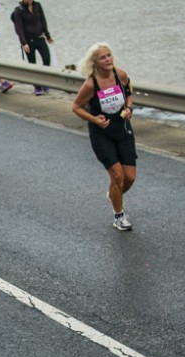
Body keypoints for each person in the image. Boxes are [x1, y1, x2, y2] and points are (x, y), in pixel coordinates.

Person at [71, 42, 136, 231]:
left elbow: (129, 94)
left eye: (109, 55)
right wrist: (94, 119)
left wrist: (129, 108)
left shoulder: (120, 75)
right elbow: (76, 107)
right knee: (117, 175)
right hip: (101, 134)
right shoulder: (91, 84)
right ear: (95, 62)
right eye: (103, 57)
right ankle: (119, 216)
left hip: (122, 129)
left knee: (129, 177)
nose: (108, 59)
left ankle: (113, 194)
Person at [11, 0, 54, 95]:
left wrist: (48, 36)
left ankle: (45, 81)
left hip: (39, 37)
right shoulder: (19, 10)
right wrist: (23, 43)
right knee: (32, 64)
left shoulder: (37, 6)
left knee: (46, 59)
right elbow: (19, 28)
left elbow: (43, 21)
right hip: (28, 41)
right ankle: (37, 86)